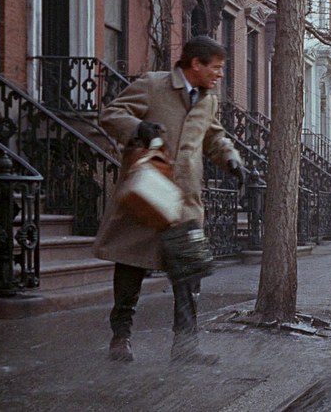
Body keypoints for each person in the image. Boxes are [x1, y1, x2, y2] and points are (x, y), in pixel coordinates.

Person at [93, 35, 247, 364]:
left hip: (184, 203)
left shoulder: (208, 100)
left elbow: (213, 135)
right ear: (196, 64)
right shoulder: (154, 85)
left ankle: (186, 347)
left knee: (189, 275)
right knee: (131, 268)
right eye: (216, 67)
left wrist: (231, 159)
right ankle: (120, 337)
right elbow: (111, 114)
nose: (220, 74)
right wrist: (138, 127)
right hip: (147, 195)